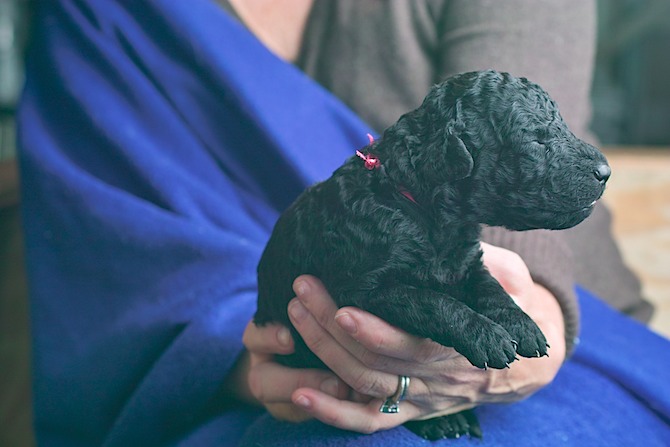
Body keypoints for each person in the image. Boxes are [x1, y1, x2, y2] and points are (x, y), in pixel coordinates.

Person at [18, 1, 668, 446]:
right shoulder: (101, 18)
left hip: (572, 349)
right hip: (255, 383)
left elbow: (525, 152)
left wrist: (520, 336)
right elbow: (105, 258)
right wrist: (271, 361)